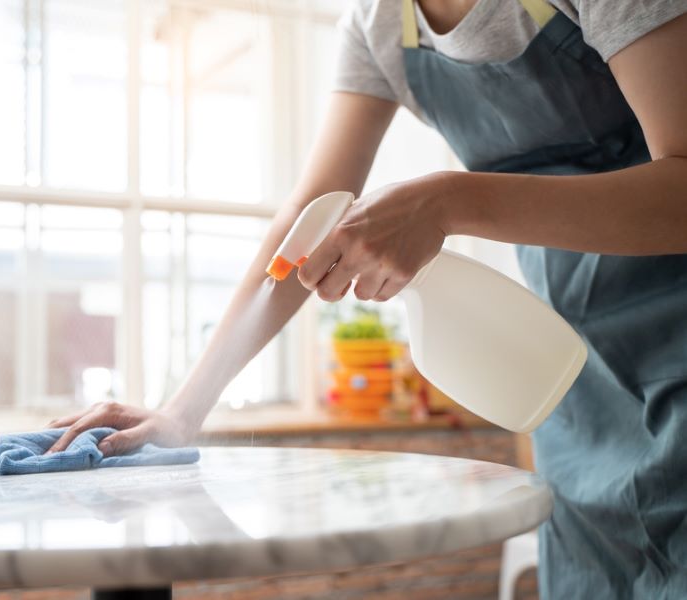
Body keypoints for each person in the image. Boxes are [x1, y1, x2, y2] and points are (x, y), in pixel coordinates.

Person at [48, 0, 687, 595]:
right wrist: (184, 411)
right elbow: (308, 217)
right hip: (571, 382)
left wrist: (447, 200)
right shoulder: (379, 26)